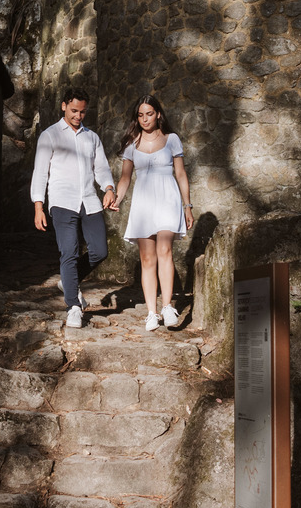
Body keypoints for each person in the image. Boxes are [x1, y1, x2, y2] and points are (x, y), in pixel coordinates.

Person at [30, 87, 117, 328]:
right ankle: (74, 307)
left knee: (100, 251)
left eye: (83, 112)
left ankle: (68, 280)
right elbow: (40, 173)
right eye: (74, 110)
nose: (79, 116)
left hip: (89, 200)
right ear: (64, 106)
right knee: (69, 252)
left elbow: (101, 169)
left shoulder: (92, 137)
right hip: (62, 201)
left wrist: (109, 188)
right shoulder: (49, 135)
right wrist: (39, 206)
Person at [112, 95, 193, 331]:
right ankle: (151, 312)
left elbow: (181, 175)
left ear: (158, 114)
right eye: (140, 115)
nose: (145, 119)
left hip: (168, 198)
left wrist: (187, 206)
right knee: (147, 259)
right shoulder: (131, 143)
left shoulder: (172, 139)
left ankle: (167, 306)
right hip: (143, 203)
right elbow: (125, 178)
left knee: (165, 249)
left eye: (149, 113)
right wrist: (117, 199)